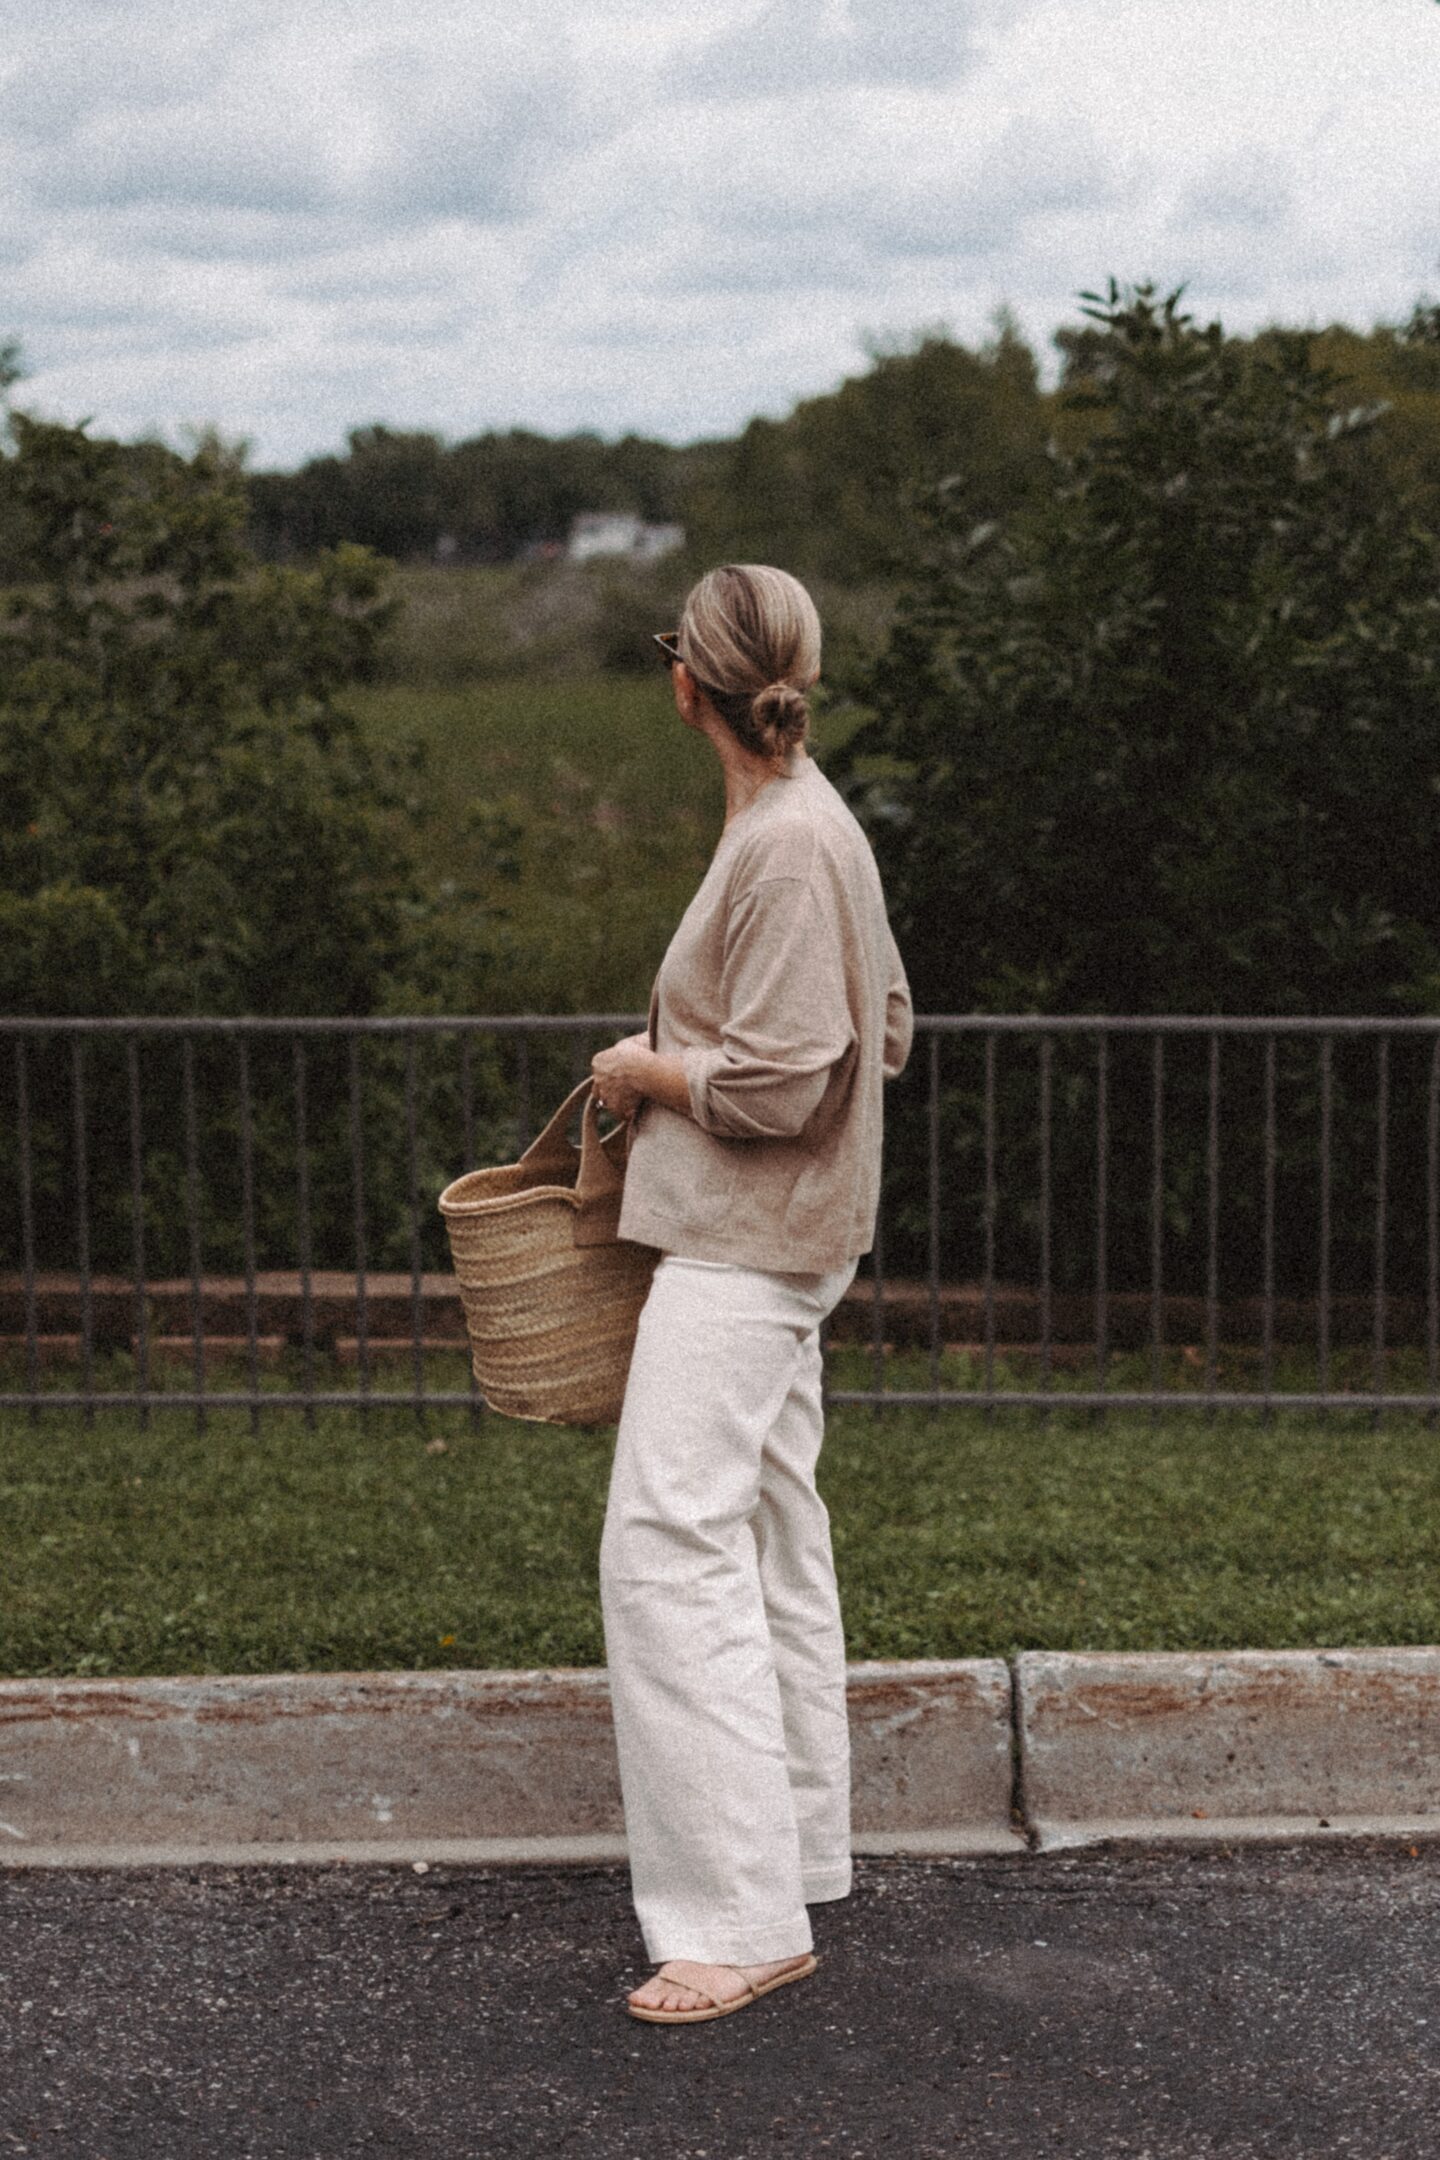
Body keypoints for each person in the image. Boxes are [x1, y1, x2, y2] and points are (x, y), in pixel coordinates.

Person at [589, 562, 913, 2026]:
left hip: (747, 1238)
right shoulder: (810, 823)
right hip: (793, 1232)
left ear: (683, 684)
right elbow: (886, 1026)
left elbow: (789, 1081)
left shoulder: (784, 845)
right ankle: (799, 1856)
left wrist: (650, 1070)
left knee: (666, 1542)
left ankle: (734, 1918)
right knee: (774, 1525)